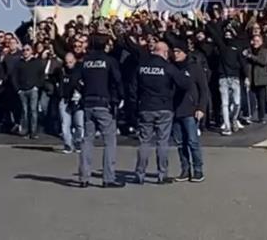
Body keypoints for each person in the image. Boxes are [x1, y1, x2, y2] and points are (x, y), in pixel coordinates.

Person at [64, 34, 124, 188]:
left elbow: (74, 80)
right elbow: (117, 81)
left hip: (88, 103)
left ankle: (84, 178)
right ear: (105, 45)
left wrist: (82, 92)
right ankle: (108, 178)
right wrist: (120, 98)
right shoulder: (110, 61)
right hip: (104, 103)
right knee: (109, 140)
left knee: (87, 141)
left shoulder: (85, 62)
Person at [134, 41, 190, 185]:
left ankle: (140, 173)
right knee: (162, 142)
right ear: (165, 53)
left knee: (144, 142)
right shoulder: (168, 67)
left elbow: (133, 87)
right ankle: (162, 174)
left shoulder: (142, 67)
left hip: (146, 107)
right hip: (164, 107)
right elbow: (184, 83)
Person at [170, 41, 208, 182]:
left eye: (178, 51)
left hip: (191, 109)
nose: (175, 54)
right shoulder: (171, 68)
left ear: (185, 52)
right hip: (175, 109)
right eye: (174, 51)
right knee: (180, 143)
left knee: (193, 141)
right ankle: (185, 170)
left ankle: (198, 170)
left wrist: (201, 108)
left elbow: (204, 90)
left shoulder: (194, 68)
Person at [10, 44, 45, 139]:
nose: (25, 52)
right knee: (24, 111)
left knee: (33, 111)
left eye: (27, 50)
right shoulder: (18, 63)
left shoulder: (37, 62)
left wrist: (37, 87)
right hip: (22, 91)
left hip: (33, 90)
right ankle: (25, 131)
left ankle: (33, 132)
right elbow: (14, 77)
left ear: (31, 51)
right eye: (24, 50)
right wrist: (18, 90)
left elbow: (42, 76)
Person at [55, 52, 84, 154]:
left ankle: (78, 142)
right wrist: (59, 92)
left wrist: (80, 93)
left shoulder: (80, 71)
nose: (68, 64)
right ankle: (68, 145)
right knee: (65, 124)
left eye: (70, 62)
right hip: (64, 100)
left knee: (79, 124)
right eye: (67, 62)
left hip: (77, 100)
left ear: (74, 61)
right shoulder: (61, 71)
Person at [244, 34, 267, 124]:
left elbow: (263, 61)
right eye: (254, 41)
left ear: (261, 42)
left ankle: (261, 117)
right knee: (251, 99)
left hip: (261, 79)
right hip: (251, 78)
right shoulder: (249, 50)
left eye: (258, 41)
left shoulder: (265, 51)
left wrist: (251, 57)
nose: (256, 43)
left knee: (261, 100)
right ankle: (249, 115)